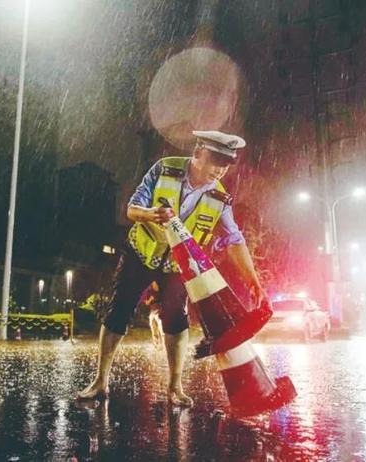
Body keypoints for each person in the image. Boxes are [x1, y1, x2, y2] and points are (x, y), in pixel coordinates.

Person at [77, 130, 269, 407]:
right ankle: (100, 382)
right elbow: (132, 209)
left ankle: (175, 387)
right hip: (141, 253)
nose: (221, 170)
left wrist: (254, 281)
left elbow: (234, 241)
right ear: (198, 153)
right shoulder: (165, 169)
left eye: (226, 164)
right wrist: (151, 214)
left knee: (177, 319)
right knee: (118, 311)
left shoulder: (220, 197)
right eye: (216, 161)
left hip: (179, 265)